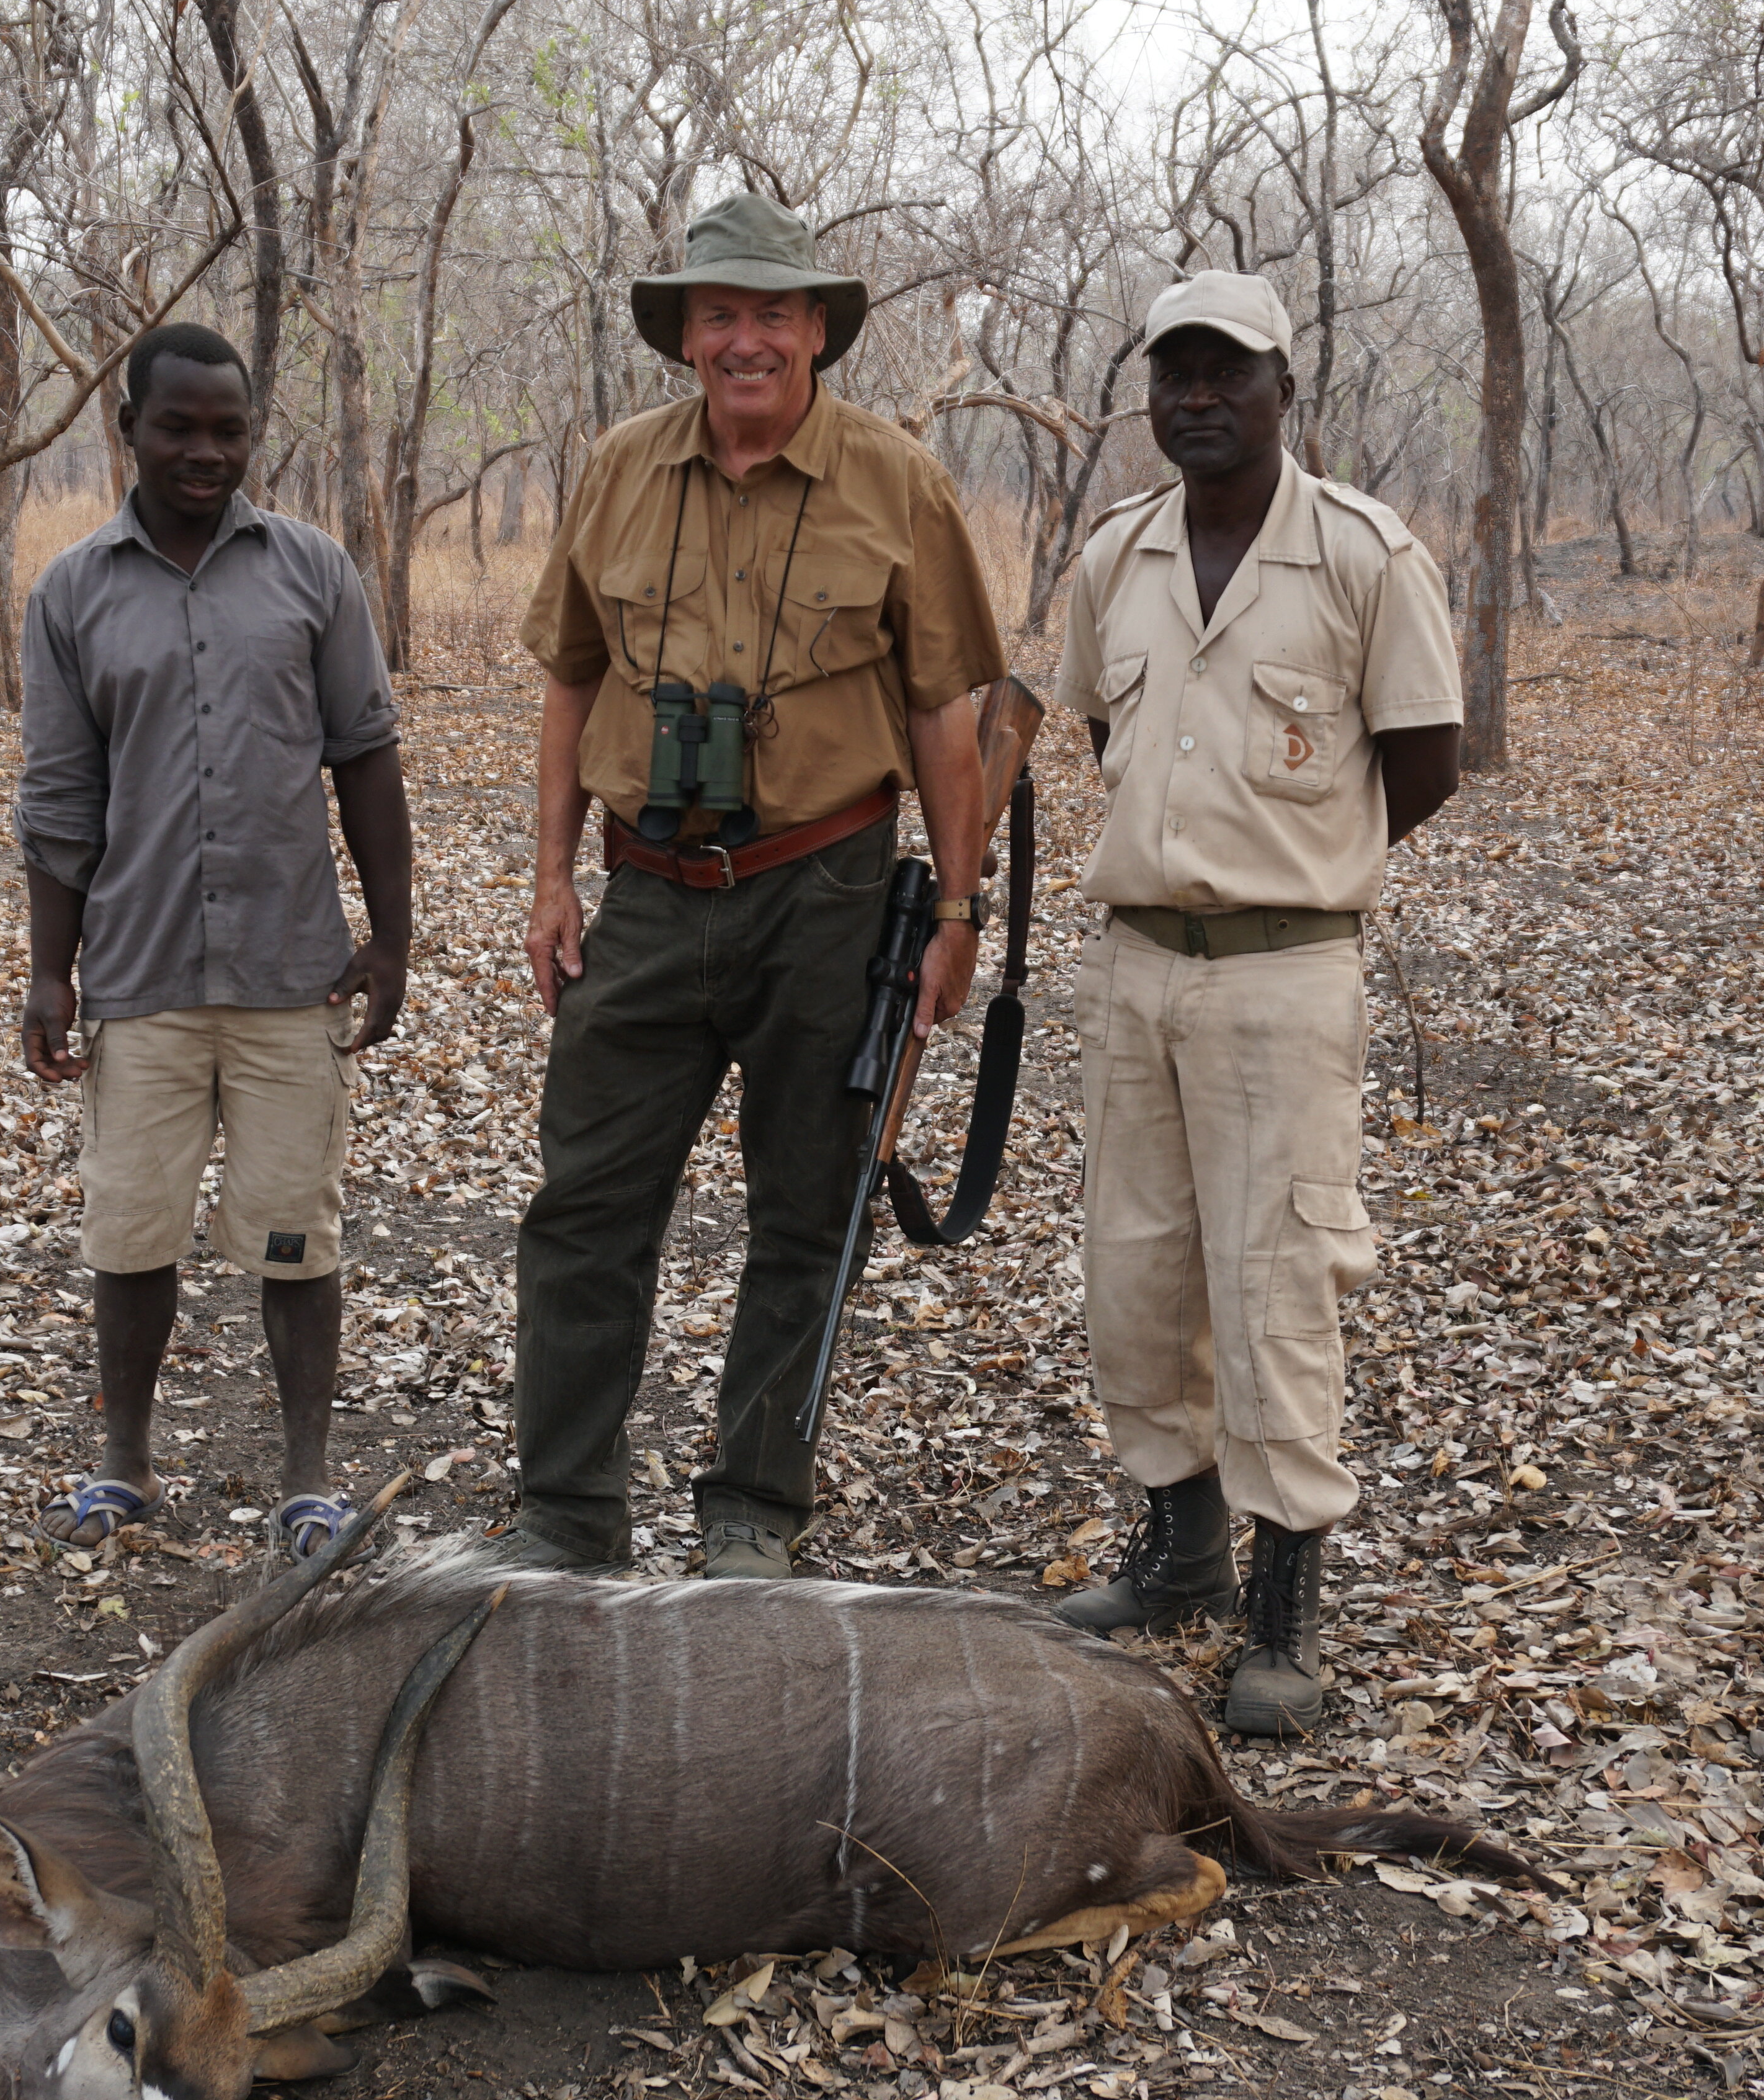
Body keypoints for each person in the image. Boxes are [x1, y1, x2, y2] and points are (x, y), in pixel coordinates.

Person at [507, 190, 1007, 1578]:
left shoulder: (897, 480)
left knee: (809, 1205)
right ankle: (565, 1511)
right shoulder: (616, 469)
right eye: (720, 314)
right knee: (586, 1205)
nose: (746, 341)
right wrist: (550, 875)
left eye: (773, 315)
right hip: (649, 892)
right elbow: (568, 676)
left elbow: (948, 711)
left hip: (826, 891)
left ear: (816, 333)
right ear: (684, 335)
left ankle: (753, 1509)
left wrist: (957, 913)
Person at [1046, 270, 1464, 1736]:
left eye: (1227, 374)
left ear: (1287, 389)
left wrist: (1295, 863)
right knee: (1137, 1266)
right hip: (1138, 966)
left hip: (1289, 974)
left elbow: (1418, 761)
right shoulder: (1115, 556)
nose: (1198, 400)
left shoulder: (1363, 555)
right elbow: (1103, 722)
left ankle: (1281, 1612)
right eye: (1175, 375)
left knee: (1279, 1279)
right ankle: (1176, 1558)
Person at [16, 321, 412, 1561]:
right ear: (125, 428)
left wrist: (393, 935)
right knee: (131, 1232)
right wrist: (49, 966)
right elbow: (59, 800)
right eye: (177, 426)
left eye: (227, 430)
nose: (203, 451)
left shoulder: (313, 574)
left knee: (297, 1229)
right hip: (140, 973)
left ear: (254, 435)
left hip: (293, 966)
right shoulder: (72, 593)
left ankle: (307, 1478)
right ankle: (122, 1465)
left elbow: (367, 756)